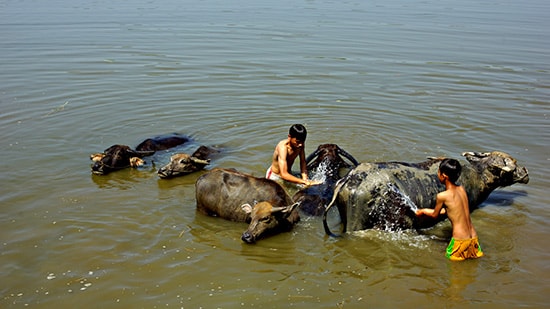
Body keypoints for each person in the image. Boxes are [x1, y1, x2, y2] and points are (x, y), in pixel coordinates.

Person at [416, 158, 484, 261]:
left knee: (453, 269)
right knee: (470, 268)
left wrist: (423, 211)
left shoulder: (442, 196)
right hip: (473, 238)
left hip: (459, 240)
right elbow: (453, 210)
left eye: (438, 172)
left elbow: (435, 215)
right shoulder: (462, 189)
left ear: (444, 176)